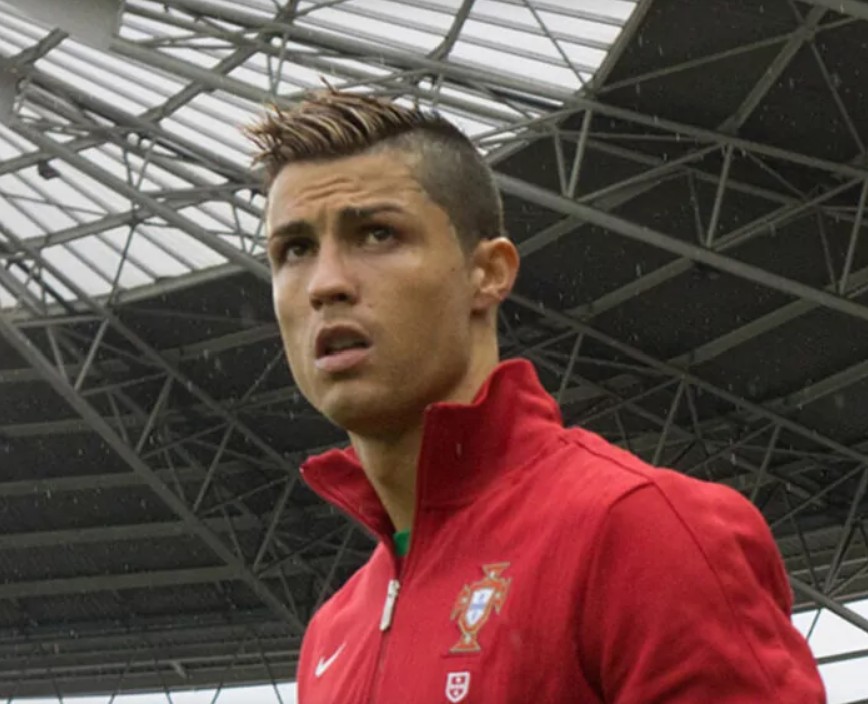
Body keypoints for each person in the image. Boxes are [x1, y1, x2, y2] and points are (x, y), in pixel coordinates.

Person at [244, 89, 826, 704]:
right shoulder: (334, 631)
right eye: (295, 250)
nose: (326, 283)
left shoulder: (641, 530)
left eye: (377, 234)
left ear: (489, 273)